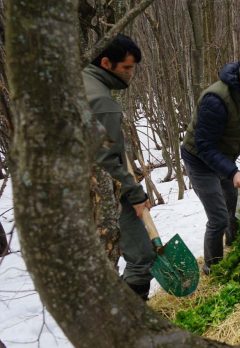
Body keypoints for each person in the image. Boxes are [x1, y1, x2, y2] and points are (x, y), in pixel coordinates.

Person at [181, 54, 240, 275]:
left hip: (224, 156)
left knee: (232, 208)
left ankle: (235, 248)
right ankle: (213, 267)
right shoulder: (215, 100)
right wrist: (231, 171)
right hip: (199, 159)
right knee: (218, 217)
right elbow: (204, 145)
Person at [83, 34, 154, 300]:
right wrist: (135, 195)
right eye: (126, 67)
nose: (131, 73)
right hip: (101, 193)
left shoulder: (80, 81)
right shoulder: (102, 103)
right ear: (105, 62)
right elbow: (106, 162)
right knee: (142, 258)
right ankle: (130, 322)